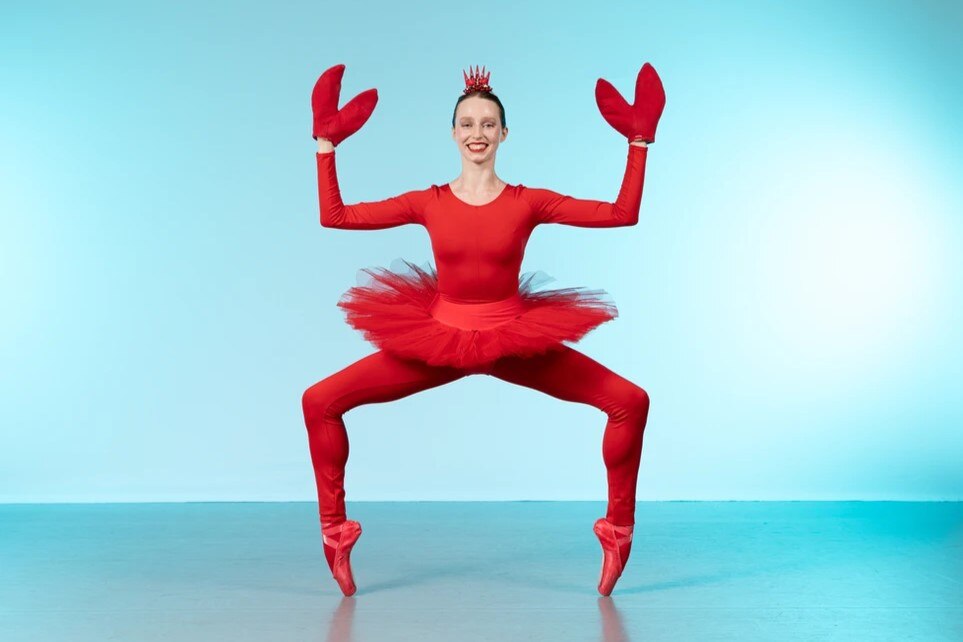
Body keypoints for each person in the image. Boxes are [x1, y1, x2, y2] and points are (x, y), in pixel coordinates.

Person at [302, 63, 665, 597]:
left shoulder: (528, 201)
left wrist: (638, 142)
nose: (477, 133)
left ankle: (618, 532)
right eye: (467, 123)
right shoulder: (428, 201)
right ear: (453, 134)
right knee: (320, 401)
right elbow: (335, 216)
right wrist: (325, 146)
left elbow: (621, 213)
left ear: (503, 134)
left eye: (488, 124)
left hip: (512, 340)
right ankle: (335, 536)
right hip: (438, 341)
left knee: (630, 401)